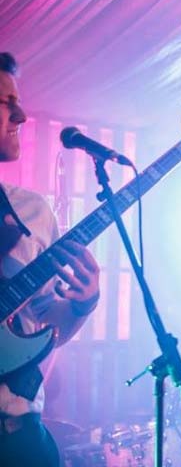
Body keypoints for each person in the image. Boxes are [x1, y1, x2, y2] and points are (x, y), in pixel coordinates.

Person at [0, 52, 100, 467]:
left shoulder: (34, 212)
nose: (21, 116)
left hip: (20, 435)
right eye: (6, 103)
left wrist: (82, 305)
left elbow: (45, 327)